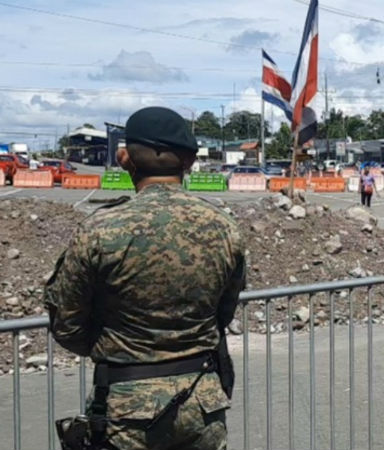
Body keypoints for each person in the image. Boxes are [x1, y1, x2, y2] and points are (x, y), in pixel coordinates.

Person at [45, 106, 246, 450]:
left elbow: (66, 324)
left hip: (126, 407)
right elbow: (223, 312)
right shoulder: (224, 227)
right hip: (203, 401)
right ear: (190, 162)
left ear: (125, 159)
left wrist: (118, 346)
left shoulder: (100, 229)